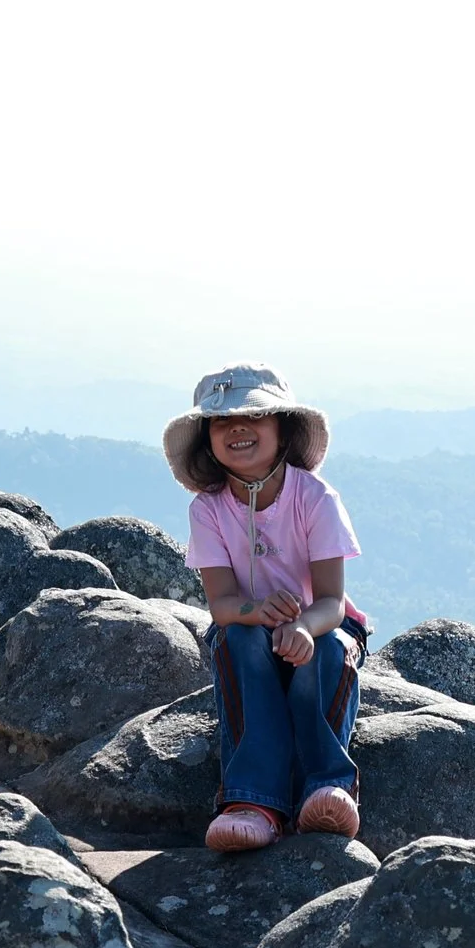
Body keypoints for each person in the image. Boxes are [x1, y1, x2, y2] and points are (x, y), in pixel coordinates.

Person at [167, 364, 368, 852]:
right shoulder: (208, 509)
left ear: (283, 429)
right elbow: (222, 606)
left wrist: (301, 625)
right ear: (206, 441)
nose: (237, 428)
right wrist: (260, 613)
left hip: (319, 624)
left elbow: (331, 603)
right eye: (220, 422)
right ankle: (253, 802)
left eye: (254, 416)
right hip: (249, 627)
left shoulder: (315, 497)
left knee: (327, 649)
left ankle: (329, 786)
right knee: (237, 640)